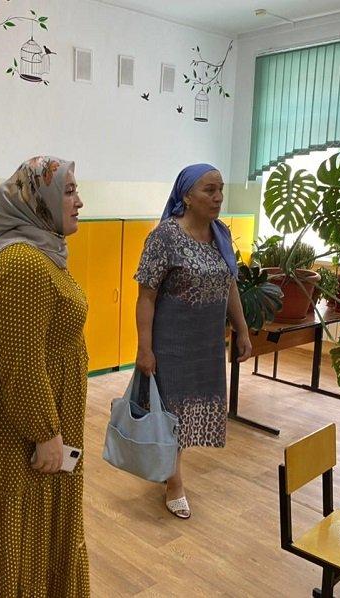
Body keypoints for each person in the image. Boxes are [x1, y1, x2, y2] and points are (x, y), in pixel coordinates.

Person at [0, 156, 90, 597]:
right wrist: (45, 431)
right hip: (14, 425)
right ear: (39, 198)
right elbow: (22, 364)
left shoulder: (41, 252)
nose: (79, 201)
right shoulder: (22, 264)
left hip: (34, 416)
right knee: (13, 532)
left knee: (36, 524)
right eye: (68, 191)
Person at [134, 163, 252, 519]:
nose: (218, 197)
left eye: (220, 190)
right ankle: (174, 483)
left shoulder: (221, 233)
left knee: (187, 412)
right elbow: (146, 296)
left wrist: (242, 329)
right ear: (186, 196)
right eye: (209, 190)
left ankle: (169, 468)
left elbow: (230, 283)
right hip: (172, 343)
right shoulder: (165, 236)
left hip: (207, 344)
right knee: (172, 411)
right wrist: (144, 348)